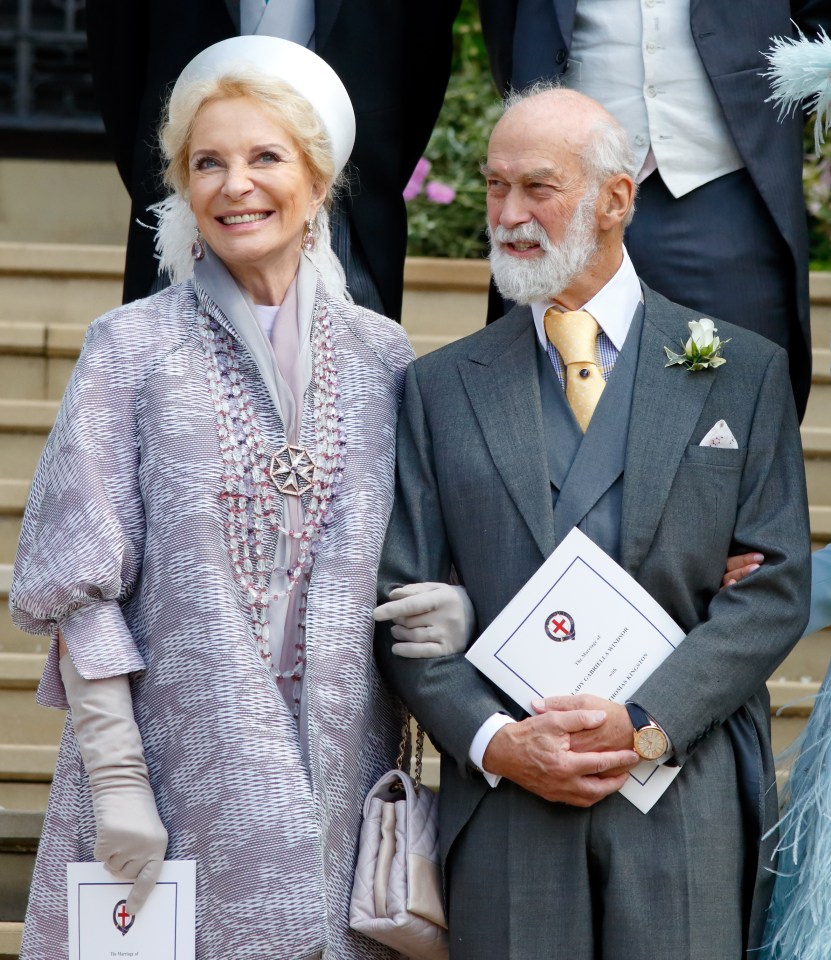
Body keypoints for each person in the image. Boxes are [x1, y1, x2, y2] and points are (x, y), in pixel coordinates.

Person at [374, 85, 812, 959]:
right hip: (509, 798)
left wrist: (646, 722)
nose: (507, 214)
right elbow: (400, 607)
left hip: (680, 785)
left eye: (536, 187)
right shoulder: (438, 387)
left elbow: (772, 590)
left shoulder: (741, 371)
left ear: (616, 199)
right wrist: (497, 743)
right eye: (495, 189)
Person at [10, 35, 418, 960]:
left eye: (265, 157)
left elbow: (415, 552)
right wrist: (119, 781)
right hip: (169, 769)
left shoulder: (385, 359)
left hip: (339, 774)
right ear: (183, 190)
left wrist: (447, 600)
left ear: (318, 184)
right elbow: (77, 581)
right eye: (209, 163)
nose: (237, 184)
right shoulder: (129, 349)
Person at [477, 0, 831, 422]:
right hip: (565, 193)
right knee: (545, 408)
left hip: (727, 184)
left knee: (737, 408)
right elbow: (506, 26)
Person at [85, 0, 460, 319]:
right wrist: (199, 165)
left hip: (351, 199)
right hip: (190, 199)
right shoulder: (119, 345)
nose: (242, 185)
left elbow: (424, 46)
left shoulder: (376, 346)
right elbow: (117, 51)